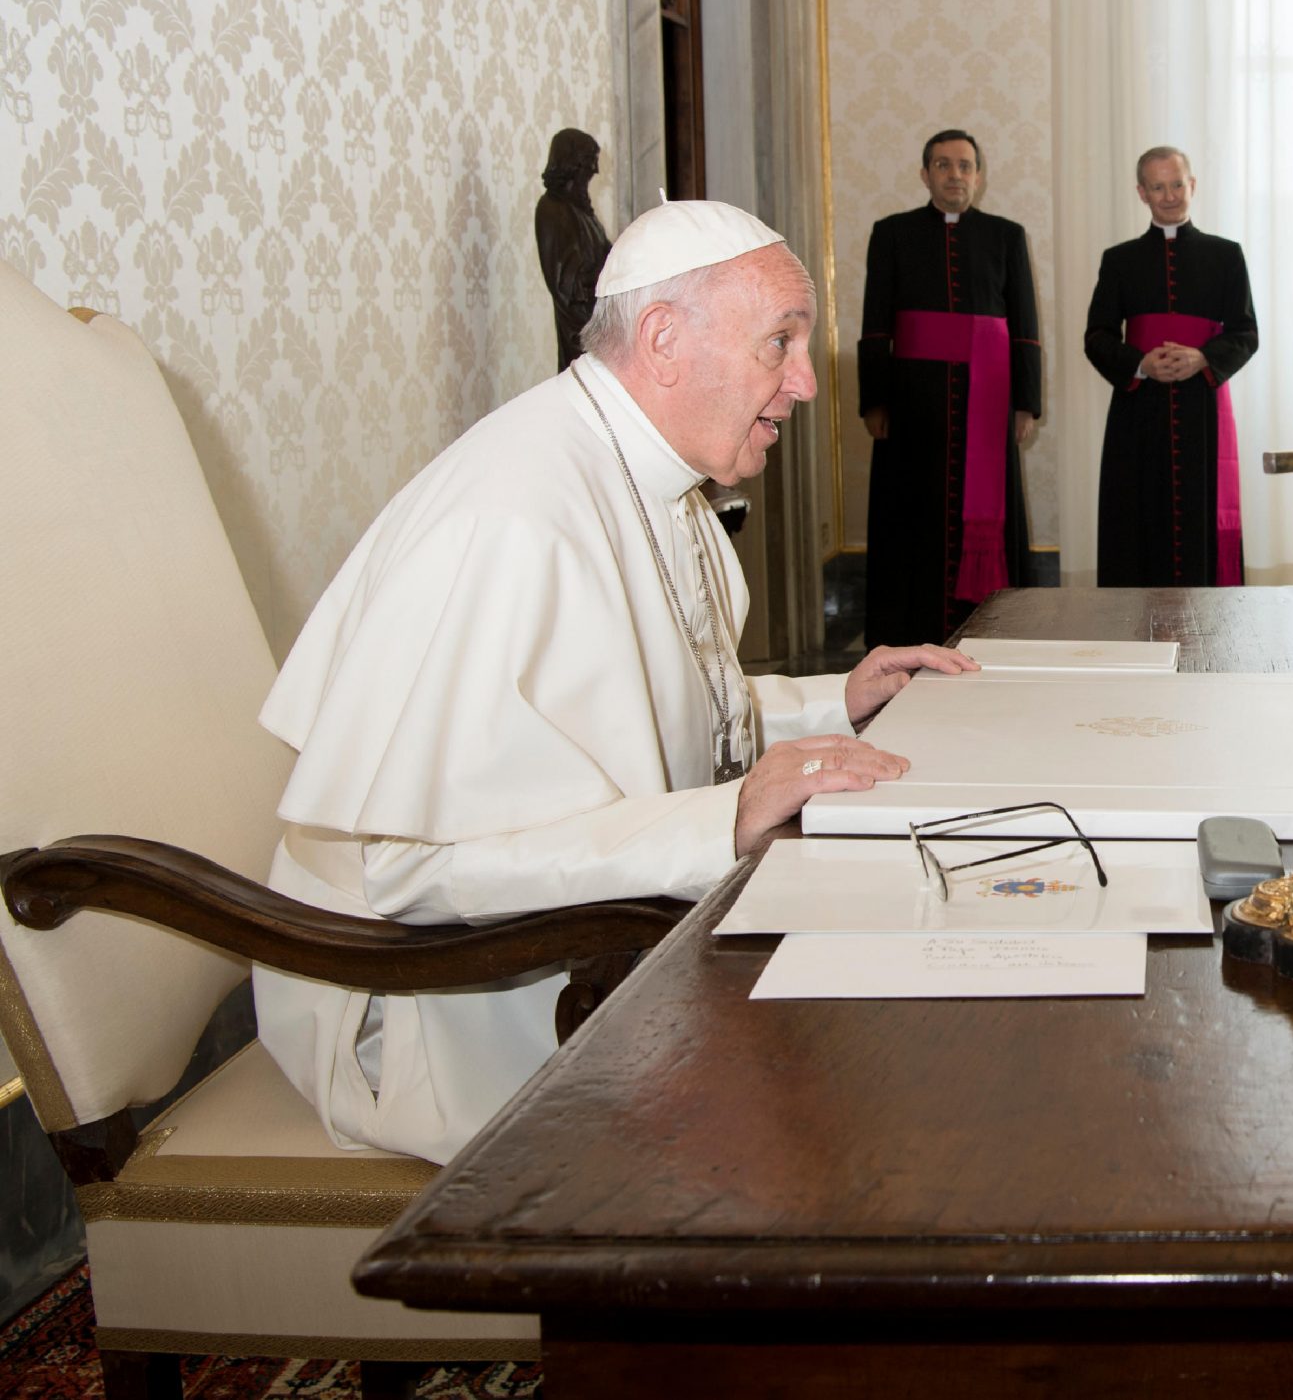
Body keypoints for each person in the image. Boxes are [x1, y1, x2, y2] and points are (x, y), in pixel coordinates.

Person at [256, 200, 975, 1162]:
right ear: (665, 339)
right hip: (457, 1024)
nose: (805, 383)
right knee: (863, 1111)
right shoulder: (512, 518)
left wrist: (832, 700)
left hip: (594, 962)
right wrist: (716, 822)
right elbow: (410, 867)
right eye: (780, 344)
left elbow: (636, 710)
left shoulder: (647, 474)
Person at [859, 130, 1043, 645]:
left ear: (979, 176)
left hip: (987, 401)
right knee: (911, 514)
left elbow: (1024, 322)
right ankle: (910, 631)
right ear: (925, 175)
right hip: (914, 400)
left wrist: (1025, 402)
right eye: (943, 165)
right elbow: (876, 321)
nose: (955, 175)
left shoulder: (1006, 235)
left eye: (965, 166)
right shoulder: (892, 233)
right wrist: (874, 398)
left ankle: (988, 629)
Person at [1083, 147, 1260, 586]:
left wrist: (1203, 357)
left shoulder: (1226, 255)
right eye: (1158, 187)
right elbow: (1097, 336)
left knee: (1199, 512)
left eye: (1177, 184)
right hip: (1138, 411)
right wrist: (1140, 364)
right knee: (1137, 515)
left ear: (1192, 185)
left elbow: (1245, 333)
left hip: (1202, 405)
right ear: (1142, 192)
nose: (1169, 196)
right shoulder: (1119, 260)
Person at [535, 127, 610, 372]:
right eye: (590, 162)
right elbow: (565, 283)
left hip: (601, 322)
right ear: (573, 164)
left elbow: (608, 256)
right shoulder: (552, 210)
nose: (595, 171)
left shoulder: (583, 213)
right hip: (582, 330)